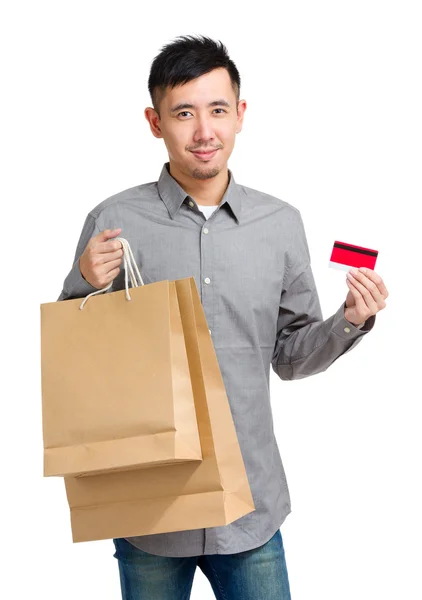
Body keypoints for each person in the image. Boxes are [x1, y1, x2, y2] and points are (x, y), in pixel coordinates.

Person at [58, 34, 389, 600]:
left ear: (240, 115)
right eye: (183, 113)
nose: (203, 131)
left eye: (216, 110)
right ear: (154, 121)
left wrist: (349, 321)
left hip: (251, 507)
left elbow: (290, 356)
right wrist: (85, 284)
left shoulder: (281, 223)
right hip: (150, 512)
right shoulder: (114, 219)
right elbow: (75, 358)